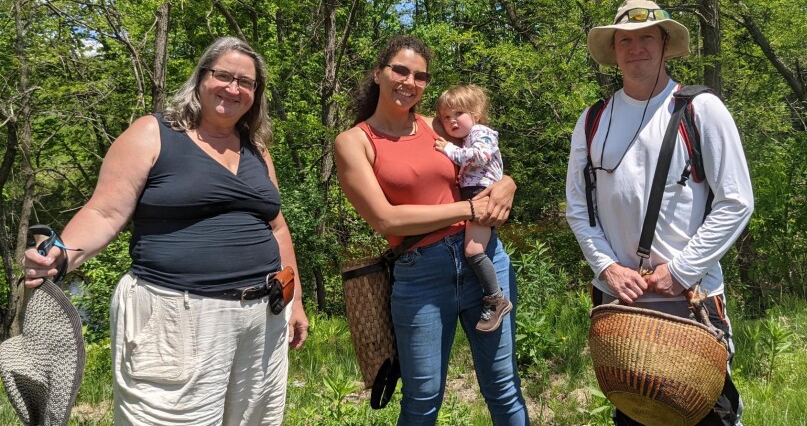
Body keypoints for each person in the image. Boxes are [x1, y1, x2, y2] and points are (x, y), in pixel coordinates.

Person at [23, 36, 309, 426]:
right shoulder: (153, 133)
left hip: (263, 317)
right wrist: (64, 252)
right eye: (223, 76)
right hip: (177, 317)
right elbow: (105, 212)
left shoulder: (257, 150)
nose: (234, 88)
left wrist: (296, 302)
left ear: (256, 94)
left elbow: (276, 226)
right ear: (201, 77)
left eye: (246, 82)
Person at [565, 0, 754, 426]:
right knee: (635, 415)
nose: (636, 49)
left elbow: (736, 202)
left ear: (665, 44)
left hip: (691, 302)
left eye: (646, 37)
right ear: (613, 51)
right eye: (625, 41)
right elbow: (578, 209)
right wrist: (607, 267)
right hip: (621, 307)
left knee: (707, 415)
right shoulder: (593, 120)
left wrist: (683, 270)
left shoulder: (700, 109)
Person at [334, 35, 530, 425]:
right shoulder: (354, 142)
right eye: (400, 70)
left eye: (420, 76)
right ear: (378, 73)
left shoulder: (434, 125)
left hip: (483, 259)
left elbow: (482, 162)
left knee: (503, 387)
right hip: (421, 273)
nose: (409, 81)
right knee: (422, 399)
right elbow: (385, 219)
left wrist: (509, 182)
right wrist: (469, 208)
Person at [434, 84, 511, 333]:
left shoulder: (480, 132)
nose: (452, 121)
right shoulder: (469, 135)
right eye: (446, 117)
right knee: (473, 250)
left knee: (472, 251)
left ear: (475, 115)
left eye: (459, 113)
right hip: (474, 195)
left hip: (481, 195)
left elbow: (481, 157)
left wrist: (450, 150)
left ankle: (495, 298)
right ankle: (493, 296)